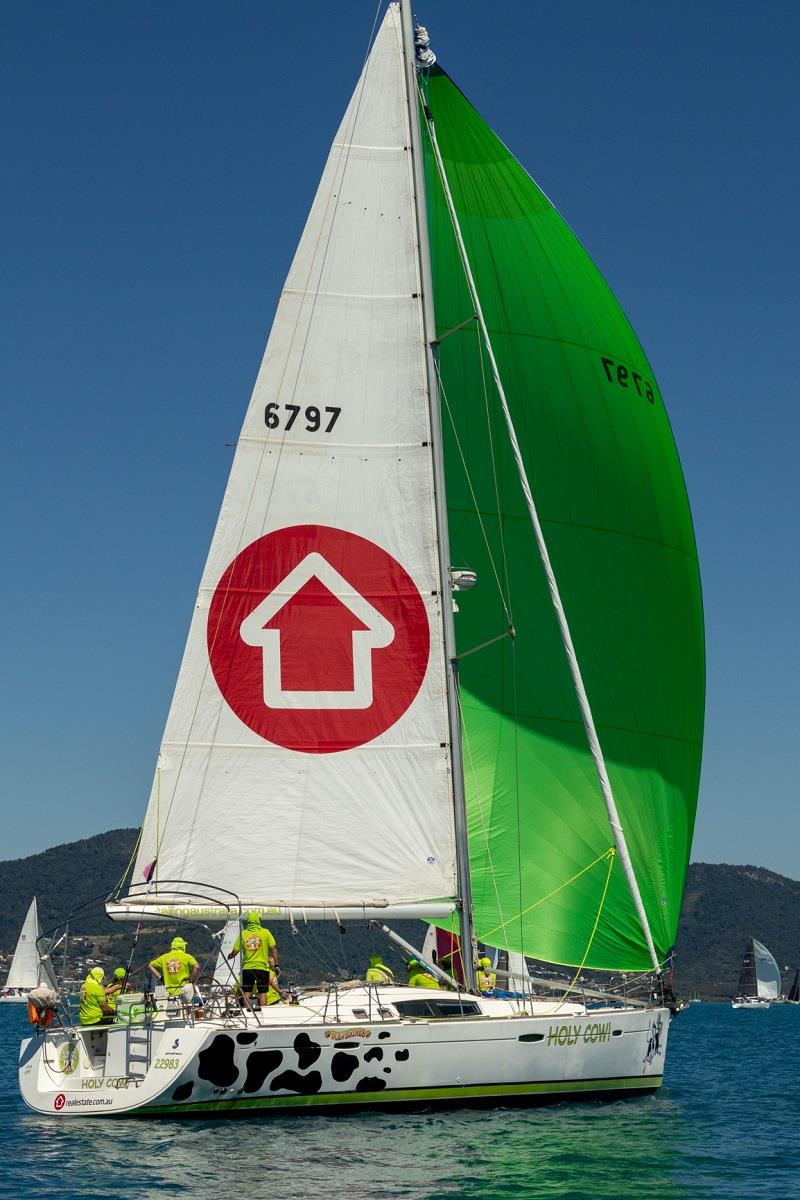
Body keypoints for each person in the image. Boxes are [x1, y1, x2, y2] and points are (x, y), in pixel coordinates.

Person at [228, 910, 277, 1010]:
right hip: (262, 967)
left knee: (247, 992)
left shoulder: (243, 934)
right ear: (258, 921)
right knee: (263, 992)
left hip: (247, 968)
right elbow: (273, 948)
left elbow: (235, 951)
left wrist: (230, 956)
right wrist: (276, 965)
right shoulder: (265, 932)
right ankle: (264, 1011)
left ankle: (247, 1012)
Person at [149, 937, 200, 1005]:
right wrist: (191, 981)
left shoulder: (164, 957)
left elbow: (150, 965)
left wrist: (160, 977)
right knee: (200, 1002)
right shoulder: (186, 957)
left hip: (169, 993)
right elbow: (197, 966)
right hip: (184, 993)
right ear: (182, 946)